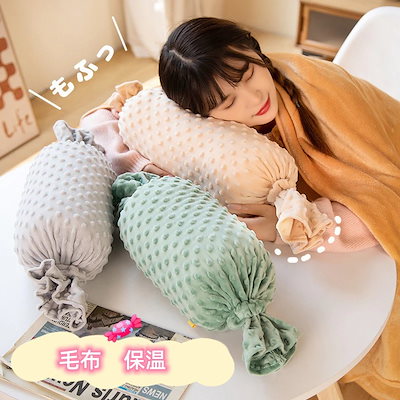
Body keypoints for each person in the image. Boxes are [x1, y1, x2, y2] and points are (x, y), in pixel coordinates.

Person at [79, 17, 381, 252]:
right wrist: (144, 166)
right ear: (198, 113)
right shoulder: (198, 102)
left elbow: (382, 212)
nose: (254, 98)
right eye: (228, 103)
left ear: (253, 49)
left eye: (248, 74)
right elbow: (94, 123)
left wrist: (290, 226)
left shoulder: (318, 98)